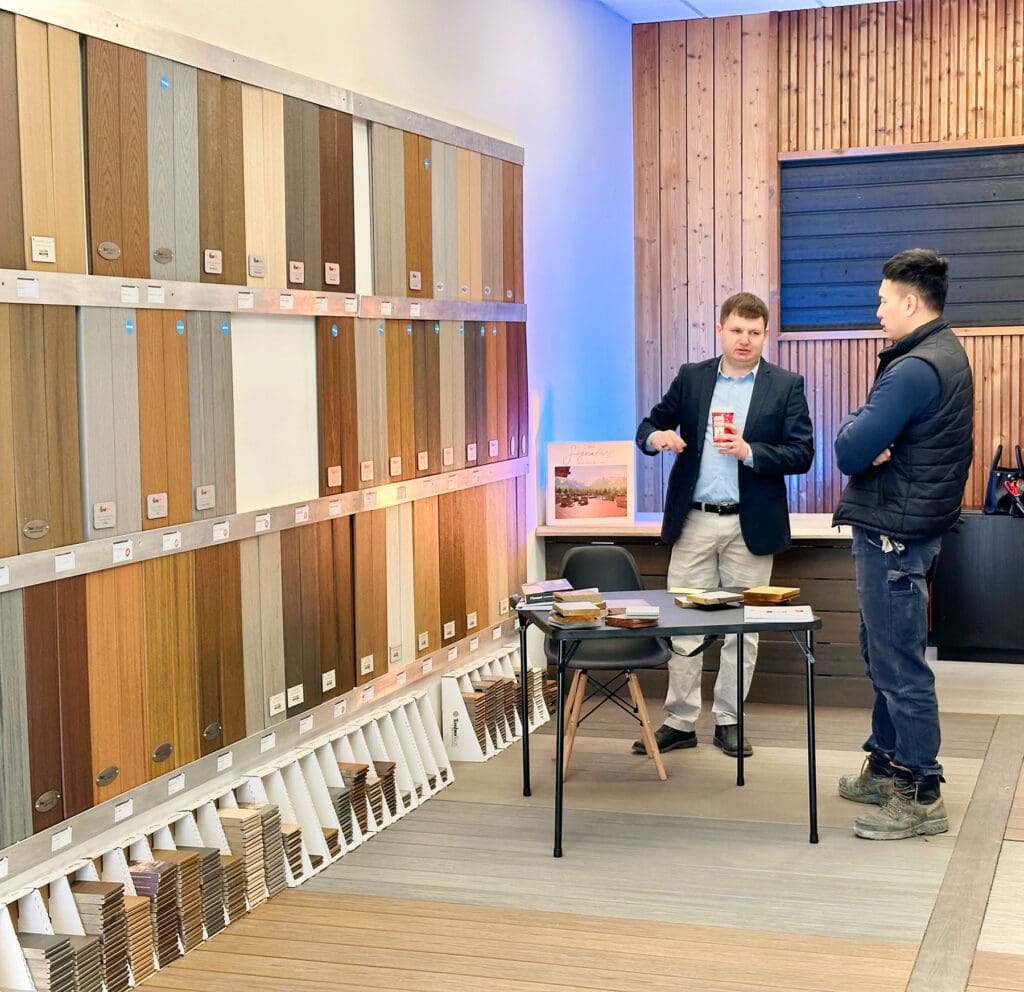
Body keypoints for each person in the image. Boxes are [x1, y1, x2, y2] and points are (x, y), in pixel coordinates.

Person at [633, 292, 814, 758]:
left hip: (750, 526)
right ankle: (680, 719)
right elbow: (649, 425)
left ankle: (730, 720)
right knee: (683, 624)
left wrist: (751, 452)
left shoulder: (786, 385)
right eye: (736, 330)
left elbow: (802, 453)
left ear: (765, 335)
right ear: (720, 330)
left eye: (754, 333)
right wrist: (658, 438)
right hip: (694, 520)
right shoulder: (692, 379)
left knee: (743, 626)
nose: (744, 340)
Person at [833, 249, 973, 840]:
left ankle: (921, 793)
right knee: (883, 653)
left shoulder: (916, 367)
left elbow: (847, 448)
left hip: (894, 534)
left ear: (911, 302)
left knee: (899, 665)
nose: (878, 309)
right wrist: (867, 436)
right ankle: (888, 764)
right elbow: (867, 441)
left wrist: (857, 431)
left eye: (884, 300)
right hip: (908, 527)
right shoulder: (943, 353)